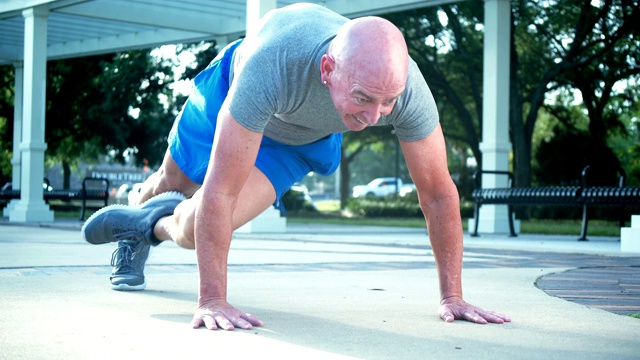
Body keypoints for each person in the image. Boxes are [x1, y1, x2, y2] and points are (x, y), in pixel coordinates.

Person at [82, 3, 511, 330]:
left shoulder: (405, 86)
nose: (374, 117)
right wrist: (212, 300)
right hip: (232, 96)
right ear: (328, 70)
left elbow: (437, 193)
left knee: (196, 230)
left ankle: (145, 227)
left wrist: (452, 295)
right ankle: (137, 224)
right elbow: (220, 187)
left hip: (296, 142)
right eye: (362, 97)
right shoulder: (273, 66)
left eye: (387, 102)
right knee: (172, 181)